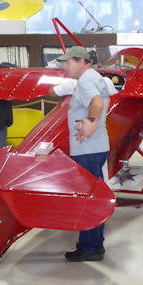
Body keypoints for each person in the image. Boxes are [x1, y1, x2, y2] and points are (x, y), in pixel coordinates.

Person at [56, 46, 110, 262]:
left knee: (88, 198)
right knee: (95, 196)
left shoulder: (86, 79)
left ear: (82, 61)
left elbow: (96, 103)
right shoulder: (95, 77)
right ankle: (94, 242)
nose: (64, 66)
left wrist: (90, 123)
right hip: (95, 148)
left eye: (68, 62)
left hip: (88, 149)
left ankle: (90, 248)